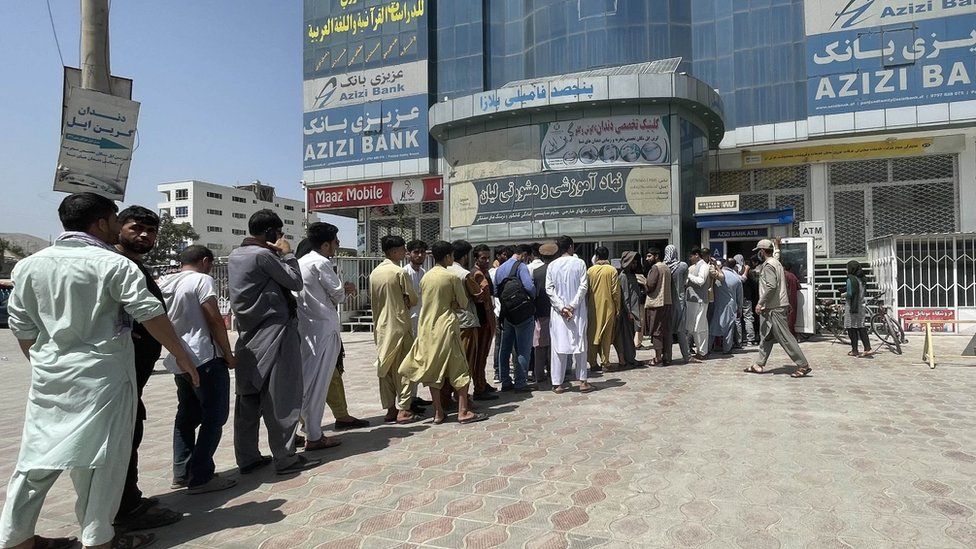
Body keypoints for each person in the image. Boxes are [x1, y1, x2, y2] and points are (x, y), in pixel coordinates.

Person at [0, 193, 199, 549]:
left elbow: (22, 326)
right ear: (102, 222)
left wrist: (46, 364)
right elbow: (149, 312)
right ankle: (98, 538)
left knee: (35, 460)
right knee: (102, 462)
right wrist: (182, 356)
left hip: (51, 379)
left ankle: (16, 538)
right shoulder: (112, 264)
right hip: (104, 378)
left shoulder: (28, 266)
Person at [110, 206, 185, 532]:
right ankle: (123, 510)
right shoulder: (115, 266)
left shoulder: (133, 266)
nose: (144, 235)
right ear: (116, 227)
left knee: (131, 433)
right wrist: (182, 357)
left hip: (133, 375)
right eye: (136, 228)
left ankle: (130, 499)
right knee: (121, 438)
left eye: (150, 231)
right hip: (117, 373)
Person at [229, 209, 320, 476]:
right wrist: (288, 253)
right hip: (275, 331)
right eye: (279, 233)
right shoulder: (264, 255)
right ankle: (285, 456)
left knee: (248, 398)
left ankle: (247, 457)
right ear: (270, 233)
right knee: (283, 395)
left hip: (248, 335)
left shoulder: (236, 255)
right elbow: (295, 282)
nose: (281, 238)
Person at [158, 245, 238, 494]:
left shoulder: (163, 282)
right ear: (205, 261)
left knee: (187, 416)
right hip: (205, 358)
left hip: (178, 359)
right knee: (214, 416)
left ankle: (181, 472)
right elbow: (214, 318)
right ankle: (201, 476)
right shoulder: (201, 280)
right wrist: (228, 353)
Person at [399, 241, 488, 425]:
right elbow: (463, 304)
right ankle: (463, 411)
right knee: (461, 370)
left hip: (427, 328)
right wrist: (452, 303)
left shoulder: (426, 277)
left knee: (434, 371)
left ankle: (438, 413)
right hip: (447, 327)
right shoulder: (452, 277)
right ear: (448, 256)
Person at [296, 222, 355, 449]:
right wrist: (347, 288)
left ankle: (298, 432)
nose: (337, 245)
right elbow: (338, 295)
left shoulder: (299, 263)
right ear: (325, 244)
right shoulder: (321, 263)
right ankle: (313, 434)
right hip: (324, 329)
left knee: (306, 381)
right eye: (335, 242)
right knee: (319, 383)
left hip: (306, 329)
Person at [369, 236, 422, 424]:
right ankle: (404, 409)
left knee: (385, 370)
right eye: (402, 249)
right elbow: (413, 299)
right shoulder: (399, 272)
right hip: (399, 326)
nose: (404, 253)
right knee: (405, 369)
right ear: (393, 252)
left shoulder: (374, 273)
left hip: (382, 329)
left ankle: (391, 409)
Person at [744, 239, 812, 377]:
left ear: (762, 251)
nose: (758, 254)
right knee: (766, 336)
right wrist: (777, 247)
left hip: (774, 307)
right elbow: (776, 257)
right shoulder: (776, 262)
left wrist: (760, 303)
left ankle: (803, 364)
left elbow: (771, 286)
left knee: (785, 337)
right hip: (773, 306)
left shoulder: (769, 266)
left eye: (759, 251)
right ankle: (759, 364)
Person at [547, 236, 592, 394]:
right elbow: (583, 286)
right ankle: (582, 381)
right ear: (571, 247)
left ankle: (557, 384)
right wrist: (572, 306)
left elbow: (549, 290)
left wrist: (562, 307)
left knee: (558, 347)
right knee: (580, 345)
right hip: (577, 312)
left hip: (560, 313)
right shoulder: (579, 263)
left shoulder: (552, 265)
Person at [445, 240, 487, 402]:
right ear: (464, 255)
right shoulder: (464, 274)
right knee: (466, 362)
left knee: (449, 362)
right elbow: (479, 296)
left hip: (448, 322)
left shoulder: (441, 271)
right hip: (466, 323)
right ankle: (462, 399)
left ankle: (446, 397)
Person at [493, 244, 537, 392]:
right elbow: (529, 287)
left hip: (506, 313)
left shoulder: (500, 269)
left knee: (505, 348)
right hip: (523, 314)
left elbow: (496, 291)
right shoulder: (521, 267)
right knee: (523, 348)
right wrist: (530, 299)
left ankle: (505, 380)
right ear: (524, 254)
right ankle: (520, 382)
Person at [472, 244, 499, 400]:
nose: (486, 260)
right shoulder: (476, 274)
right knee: (480, 355)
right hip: (481, 319)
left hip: (488, 318)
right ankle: (479, 388)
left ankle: (482, 382)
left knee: (484, 355)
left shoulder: (485, 272)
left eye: (488, 257)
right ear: (476, 258)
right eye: (483, 258)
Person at [586, 246, 619, 372]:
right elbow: (615, 292)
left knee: (592, 334)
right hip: (608, 307)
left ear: (597, 256)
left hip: (592, 307)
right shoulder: (612, 270)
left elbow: (586, 290)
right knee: (606, 335)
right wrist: (618, 307)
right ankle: (605, 362)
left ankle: (593, 362)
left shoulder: (590, 271)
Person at [532, 242, 558, 386]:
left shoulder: (537, 272)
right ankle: (554, 372)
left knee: (540, 345)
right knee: (554, 344)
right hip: (556, 311)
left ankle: (539, 374)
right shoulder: (557, 270)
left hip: (540, 312)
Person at [613, 251, 643, 369]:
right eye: (633, 262)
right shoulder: (623, 277)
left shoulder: (632, 275)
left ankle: (630, 358)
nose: (635, 265)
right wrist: (629, 312)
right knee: (627, 336)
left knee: (631, 335)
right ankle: (629, 358)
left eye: (636, 262)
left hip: (634, 311)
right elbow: (625, 296)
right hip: (628, 313)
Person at [709, 259, 744, 355]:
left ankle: (707, 348)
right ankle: (727, 349)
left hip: (715, 303)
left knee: (712, 327)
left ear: (725, 264)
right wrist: (740, 308)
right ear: (734, 266)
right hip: (730, 305)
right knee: (728, 329)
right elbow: (739, 296)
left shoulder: (716, 274)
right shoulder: (736, 278)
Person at [645, 248, 673, 366]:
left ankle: (657, 358)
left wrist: (643, 282)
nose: (647, 259)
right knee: (664, 330)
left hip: (657, 303)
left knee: (656, 331)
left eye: (649, 256)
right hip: (667, 302)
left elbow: (650, 285)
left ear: (656, 256)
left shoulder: (655, 268)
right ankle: (665, 356)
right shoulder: (666, 267)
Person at [490, 245, 513, 381]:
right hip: (500, 311)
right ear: (498, 256)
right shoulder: (494, 272)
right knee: (500, 343)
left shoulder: (499, 271)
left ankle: (501, 371)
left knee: (503, 343)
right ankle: (499, 371)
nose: (506, 257)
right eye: (504, 254)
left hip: (505, 311)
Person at [842, 260, 875, 358]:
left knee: (851, 328)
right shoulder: (862, 279)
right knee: (861, 327)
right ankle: (867, 348)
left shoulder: (850, 279)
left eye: (847, 267)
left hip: (852, 306)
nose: (846, 269)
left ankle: (854, 350)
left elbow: (850, 293)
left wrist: (843, 294)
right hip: (860, 305)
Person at [685, 247, 711, 359]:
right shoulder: (696, 267)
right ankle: (700, 351)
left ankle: (703, 352)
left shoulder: (704, 266)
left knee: (700, 327)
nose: (690, 259)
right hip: (693, 301)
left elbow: (701, 281)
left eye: (691, 256)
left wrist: (688, 275)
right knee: (693, 328)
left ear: (696, 255)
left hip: (700, 301)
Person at [404, 239, 427, 336]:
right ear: (408, 254)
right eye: (416, 252)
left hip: (422, 316)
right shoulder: (404, 272)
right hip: (408, 317)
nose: (420, 255)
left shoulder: (424, 272)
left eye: (422, 252)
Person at [736, 254, 758, 346]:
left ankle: (738, 340)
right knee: (748, 318)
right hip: (747, 297)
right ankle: (750, 339)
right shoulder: (747, 271)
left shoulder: (734, 270)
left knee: (737, 318)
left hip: (737, 297)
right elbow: (754, 283)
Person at [783, 260, 800, 338]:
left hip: (786, 300)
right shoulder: (793, 276)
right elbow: (799, 286)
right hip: (793, 299)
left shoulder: (784, 275)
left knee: (787, 319)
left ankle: (790, 337)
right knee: (792, 318)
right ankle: (793, 335)